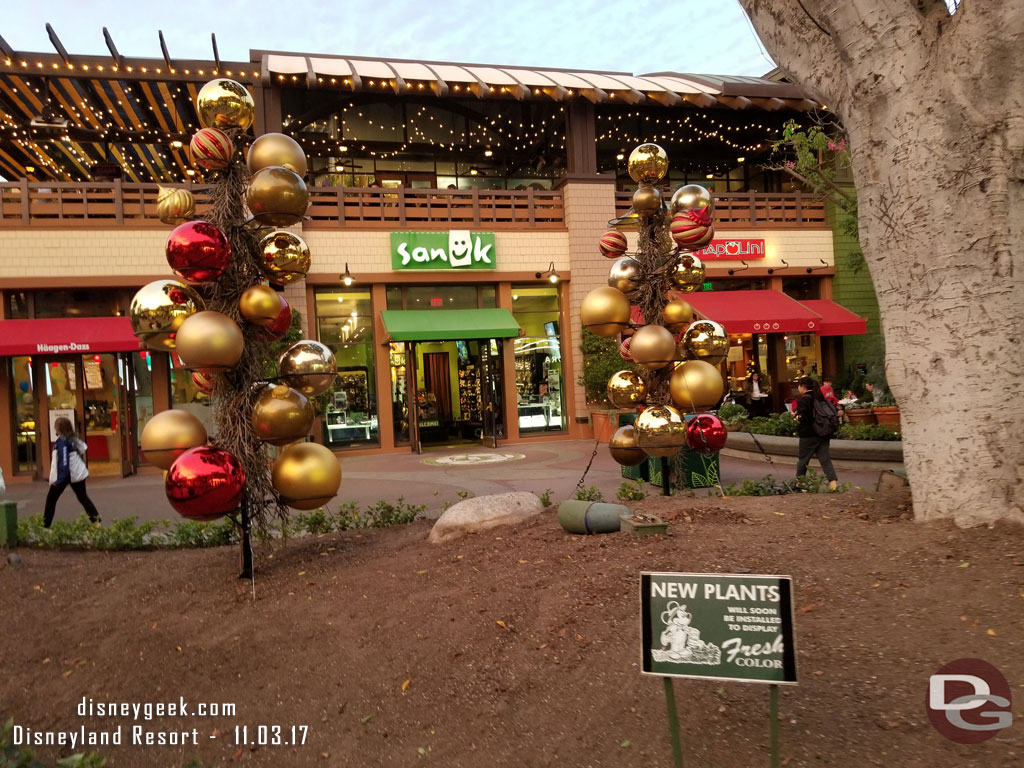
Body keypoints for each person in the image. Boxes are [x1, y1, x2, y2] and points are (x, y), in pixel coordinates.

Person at [43, 417, 100, 528]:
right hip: (77, 473)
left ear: (59, 428)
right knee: (83, 497)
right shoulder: (72, 439)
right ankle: (96, 522)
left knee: (51, 499)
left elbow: (64, 462)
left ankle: (45, 526)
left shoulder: (62, 441)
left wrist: (58, 481)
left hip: (66, 474)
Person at [794, 376, 839, 492]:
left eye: (799, 386)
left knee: (803, 460)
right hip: (823, 433)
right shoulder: (820, 397)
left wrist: (797, 417)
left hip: (808, 434)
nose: (798, 388)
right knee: (825, 460)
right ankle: (834, 486)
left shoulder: (804, 400)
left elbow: (805, 418)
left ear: (803, 387)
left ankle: (800, 486)